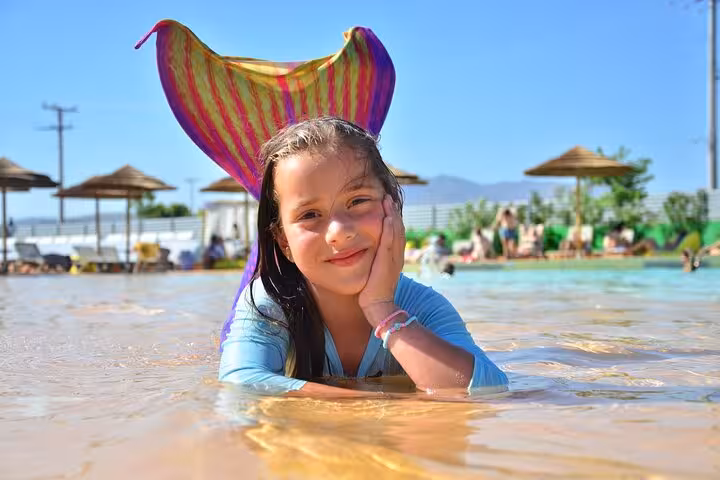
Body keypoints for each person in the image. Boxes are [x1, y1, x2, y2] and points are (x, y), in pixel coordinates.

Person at [219, 117, 508, 396]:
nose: (339, 232)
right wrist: (371, 401)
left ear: (392, 208)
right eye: (310, 215)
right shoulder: (270, 303)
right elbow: (240, 382)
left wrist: (385, 312)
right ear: (284, 242)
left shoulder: (421, 306)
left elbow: (486, 389)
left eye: (357, 201)